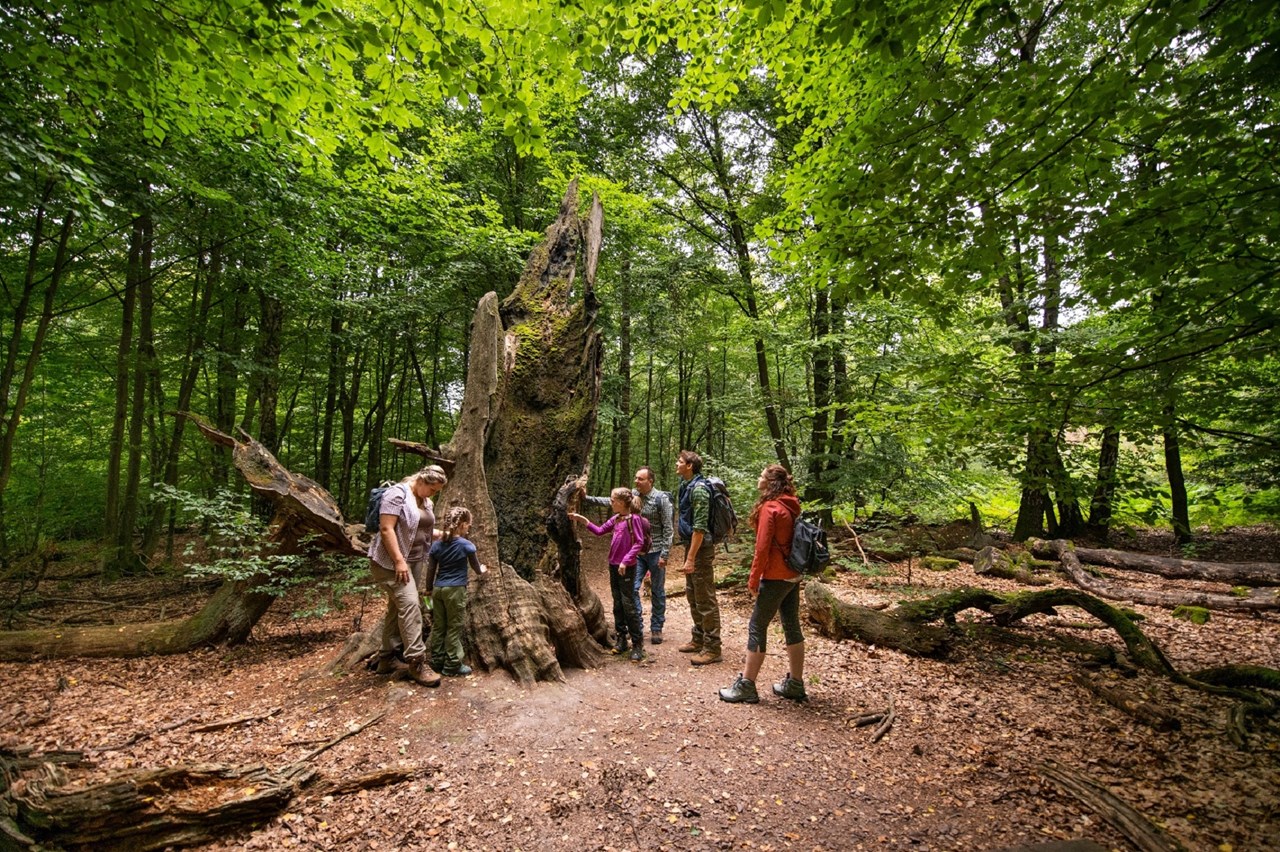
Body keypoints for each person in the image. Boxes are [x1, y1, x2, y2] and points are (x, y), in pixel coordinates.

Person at [719, 464, 807, 704]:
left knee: (757, 626)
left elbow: (762, 547)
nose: (758, 478)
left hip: (776, 575)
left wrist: (754, 577)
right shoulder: (791, 504)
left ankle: (747, 685)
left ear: (770, 482)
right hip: (793, 573)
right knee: (791, 625)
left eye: (761, 476)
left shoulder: (770, 507)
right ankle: (795, 684)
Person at [367, 465, 448, 687]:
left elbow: (418, 529)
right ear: (421, 481)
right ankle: (417, 662)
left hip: (413, 562)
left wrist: (444, 535)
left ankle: (386, 658)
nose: (434, 494)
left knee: (397, 607)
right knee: (411, 604)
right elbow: (387, 529)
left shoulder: (425, 501)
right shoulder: (397, 494)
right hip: (390, 564)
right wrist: (399, 561)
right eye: (432, 489)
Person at [582, 466, 674, 645]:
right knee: (632, 590)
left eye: (640, 479)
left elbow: (668, 528)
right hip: (636, 554)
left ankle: (656, 628)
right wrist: (586, 498)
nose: (636, 481)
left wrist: (665, 553)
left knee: (657, 590)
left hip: (655, 551)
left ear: (650, 481)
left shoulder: (661, 499)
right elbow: (609, 501)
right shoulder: (632, 495)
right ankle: (636, 625)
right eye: (636, 478)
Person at [568, 487, 649, 661]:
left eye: (613, 500)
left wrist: (625, 561)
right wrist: (583, 521)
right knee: (617, 603)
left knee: (629, 605)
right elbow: (599, 531)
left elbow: (639, 542)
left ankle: (637, 643)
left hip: (626, 567)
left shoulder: (633, 519)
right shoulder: (616, 519)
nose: (611, 503)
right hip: (613, 565)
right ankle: (621, 639)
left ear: (622, 502)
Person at [423, 506, 488, 677]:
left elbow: (431, 570)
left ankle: (436, 661)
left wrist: (428, 590)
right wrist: (483, 569)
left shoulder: (437, 546)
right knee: (453, 627)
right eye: (468, 526)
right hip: (455, 590)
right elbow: (476, 568)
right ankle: (452, 664)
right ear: (463, 524)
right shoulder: (467, 546)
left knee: (439, 626)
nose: (469, 529)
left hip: (438, 589)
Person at [676, 450, 722, 665]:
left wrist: (691, 558)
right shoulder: (686, 486)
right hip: (691, 547)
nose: (677, 464)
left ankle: (712, 647)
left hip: (701, 549)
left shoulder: (700, 490)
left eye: (680, 461)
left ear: (690, 466)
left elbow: (700, 528)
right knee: (693, 594)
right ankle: (698, 638)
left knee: (705, 597)